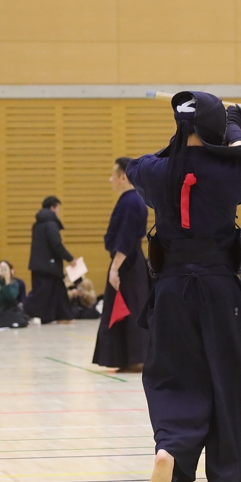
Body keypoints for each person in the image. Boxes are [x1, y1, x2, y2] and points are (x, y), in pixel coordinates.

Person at [125, 91, 241, 482]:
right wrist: (233, 130)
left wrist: (183, 136)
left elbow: (137, 166)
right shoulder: (231, 170)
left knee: (173, 375)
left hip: (171, 289)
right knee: (233, 373)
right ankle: (237, 464)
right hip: (220, 288)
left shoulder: (155, 172)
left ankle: (171, 448)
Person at [93, 157, 150, 374]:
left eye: (113, 176)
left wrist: (115, 268)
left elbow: (126, 238)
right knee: (130, 308)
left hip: (128, 264)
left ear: (124, 177)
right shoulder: (135, 200)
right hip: (131, 262)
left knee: (130, 309)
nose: (110, 180)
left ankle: (135, 358)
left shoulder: (130, 202)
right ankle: (131, 358)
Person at [24, 196, 77, 324]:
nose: (59, 212)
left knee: (56, 291)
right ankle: (25, 310)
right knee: (44, 294)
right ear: (52, 208)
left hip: (38, 265)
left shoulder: (37, 224)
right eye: (58, 208)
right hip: (50, 266)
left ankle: (62, 317)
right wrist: (70, 258)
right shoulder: (51, 224)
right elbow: (56, 244)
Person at [0, 261, 30, 328]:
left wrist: (7, 281)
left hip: (10, 310)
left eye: (5, 269)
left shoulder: (14, 283)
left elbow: (11, 296)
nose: (3, 271)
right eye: (1, 269)